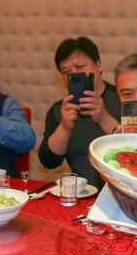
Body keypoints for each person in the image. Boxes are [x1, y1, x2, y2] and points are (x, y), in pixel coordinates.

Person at [40, 37, 120, 187]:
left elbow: (136, 149)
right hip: (81, 193)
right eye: (66, 71)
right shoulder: (59, 110)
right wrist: (64, 127)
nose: (73, 74)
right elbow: (49, 162)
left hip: (122, 191)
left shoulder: (122, 98)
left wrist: (104, 118)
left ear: (98, 65)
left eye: (80, 67)